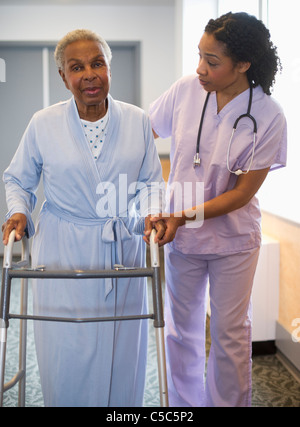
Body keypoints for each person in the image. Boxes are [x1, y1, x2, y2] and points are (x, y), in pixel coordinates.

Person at [2, 29, 165, 407]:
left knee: (121, 345)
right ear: (63, 76)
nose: (89, 74)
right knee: (66, 347)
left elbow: (150, 183)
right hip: (63, 248)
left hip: (121, 247)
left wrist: (152, 213)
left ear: (109, 68)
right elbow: (18, 178)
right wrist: (18, 211)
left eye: (97, 63)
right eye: (77, 67)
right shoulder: (43, 123)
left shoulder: (138, 120)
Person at [148, 12, 287, 407]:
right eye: (200, 56)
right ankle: (184, 408)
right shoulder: (186, 90)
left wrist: (181, 215)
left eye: (213, 61)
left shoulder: (268, 114)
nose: (200, 68)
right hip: (183, 239)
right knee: (181, 331)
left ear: (243, 64)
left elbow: (241, 193)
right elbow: (145, 132)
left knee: (228, 334)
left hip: (234, 241)